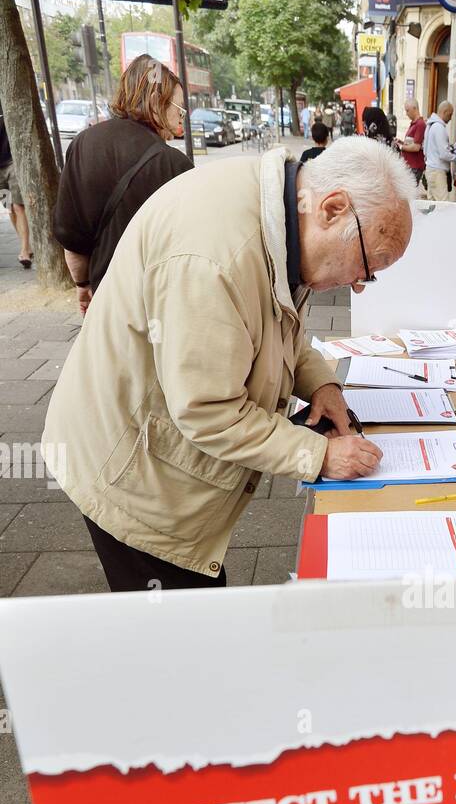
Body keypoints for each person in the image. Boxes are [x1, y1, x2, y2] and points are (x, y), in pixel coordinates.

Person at [42, 136, 416, 591]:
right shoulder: (215, 258)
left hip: (153, 442)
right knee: (183, 630)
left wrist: (321, 385)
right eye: (368, 266)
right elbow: (209, 411)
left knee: (199, 615)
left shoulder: (281, 211)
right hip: (129, 473)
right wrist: (317, 455)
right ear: (333, 208)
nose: (359, 285)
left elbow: (274, 324)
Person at [53, 55, 190, 316]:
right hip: (159, 304)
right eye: (179, 108)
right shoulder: (174, 165)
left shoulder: (84, 143)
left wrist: (83, 285)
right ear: (155, 101)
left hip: (108, 299)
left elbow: (71, 234)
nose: (183, 117)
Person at [0, 106, 32, 269]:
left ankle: (25, 250)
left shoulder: (4, 102)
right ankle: (24, 244)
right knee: (9, 208)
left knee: (18, 206)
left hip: (12, 163)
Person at [423, 101, 456, 201]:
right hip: (437, 172)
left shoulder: (431, 125)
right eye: (450, 114)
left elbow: (426, 149)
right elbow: (444, 154)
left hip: (431, 170)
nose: (451, 118)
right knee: (443, 206)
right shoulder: (439, 128)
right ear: (445, 111)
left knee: (433, 206)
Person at [395, 98, 426, 187]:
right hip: (410, 165)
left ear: (414, 108)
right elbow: (411, 142)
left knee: (409, 193)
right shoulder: (414, 124)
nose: (406, 113)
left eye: (407, 110)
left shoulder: (420, 124)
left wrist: (401, 147)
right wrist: (401, 142)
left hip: (415, 166)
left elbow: (416, 147)